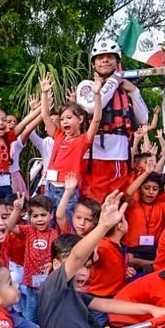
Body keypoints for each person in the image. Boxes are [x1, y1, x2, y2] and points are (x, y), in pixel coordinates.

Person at [36, 190, 165, 328]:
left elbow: (106, 305)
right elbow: (77, 257)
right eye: (78, 266)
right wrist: (103, 226)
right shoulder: (53, 286)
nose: (83, 272)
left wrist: (152, 309)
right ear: (56, 265)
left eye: (87, 267)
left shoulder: (73, 293)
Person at [76, 40, 150, 201]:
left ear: (117, 61)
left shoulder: (126, 89)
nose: (105, 60)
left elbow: (143, 118)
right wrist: (113, 81)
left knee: (117, 200)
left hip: (120, 155)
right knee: (92, 203)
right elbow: (91, 106)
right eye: (100, 57)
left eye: (110, 57)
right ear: (93, 63)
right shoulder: (86, 85)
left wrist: (135, 91)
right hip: (94, 156)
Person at [39, 74, 103, 225]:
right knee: (49, 225)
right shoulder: (59, 135)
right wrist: (44, 93)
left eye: (69, 118)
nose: (64, 121)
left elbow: (96, 119)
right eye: (62, 119)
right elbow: (45, 116)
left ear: (80, 119)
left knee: (65, 224)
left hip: (67, 190)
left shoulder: (83, 140)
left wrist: (97, 94)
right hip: (50, 186)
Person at [4, 194, 59, 322]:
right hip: (31, 283)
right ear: (29, 217)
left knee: (49, 311)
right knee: (31, 312)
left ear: (51, 215)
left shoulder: (56, 234)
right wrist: (17, 210)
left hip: (49, 282)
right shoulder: (28, 230)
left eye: (43, 215)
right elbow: (10, 226)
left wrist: (52, 264)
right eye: (35, 216)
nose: (39, 219)